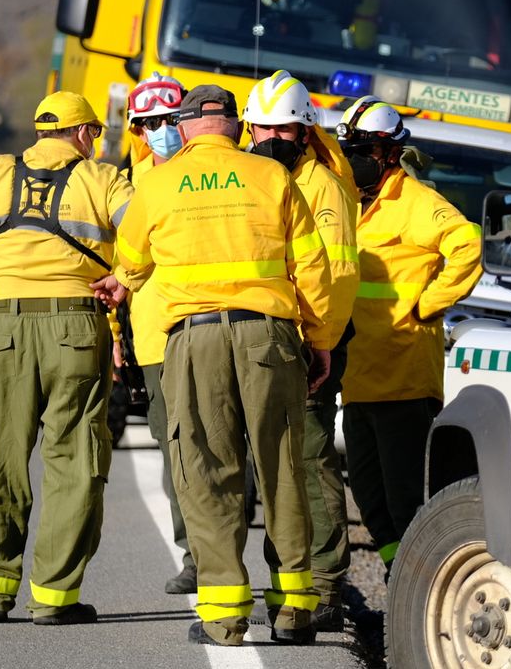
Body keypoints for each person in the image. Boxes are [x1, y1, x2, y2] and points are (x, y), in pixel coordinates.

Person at [102, 84, 343, 647]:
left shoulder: (157, 184)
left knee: (206, 470)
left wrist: (128, 284)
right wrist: (320, 341)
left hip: (194, 340)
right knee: (282, 468)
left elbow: (130, 264)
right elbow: (312, 268)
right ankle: (294, 611)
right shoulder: (274, 177)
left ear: (184, 128)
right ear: (235, 127)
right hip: (270, 337)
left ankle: (225, 617)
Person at [0, 90, 132, 625]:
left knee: (0, 454)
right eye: (94, 133)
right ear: (82, 132)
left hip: (2, 325)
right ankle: (54, 597)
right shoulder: (103, 179)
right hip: (75, 326)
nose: (94, 141)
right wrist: (125, 279)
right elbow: (151, 231)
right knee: (75, 460)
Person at [335, 96, 482, 573]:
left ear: (389, 154)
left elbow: (468, 244)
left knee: (405, 500)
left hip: (403, 378)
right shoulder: (351, 204)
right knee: (369, 497)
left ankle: (417, 581)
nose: (354, 158)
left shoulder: (416, 203)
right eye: (349, 148)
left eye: (363, 150)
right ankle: (398, 573)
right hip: (358, 378)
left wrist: (428, 304)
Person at [242, 70, 359, 631]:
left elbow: (337, 276)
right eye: (262, 129)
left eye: (283, 129)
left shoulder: (323, 187)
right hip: (267, 341)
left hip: (314, 344)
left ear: (305, 132)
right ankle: (288, 588)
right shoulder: (256, 178)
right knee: (274, 469)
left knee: (309, 462)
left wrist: (320, 346)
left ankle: (326, 587)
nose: (271, 138)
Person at [121, 71, 198, 594]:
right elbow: (116, 265)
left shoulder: (210, 174)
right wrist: (115, 336)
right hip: (154, 338)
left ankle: (224, 555)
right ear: (137, 130)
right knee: (174, 451)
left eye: (170, 119)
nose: (161, 131)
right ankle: (195, 556)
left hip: (208, 327)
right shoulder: (130, 186)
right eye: (150, 124)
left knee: (220, 447)